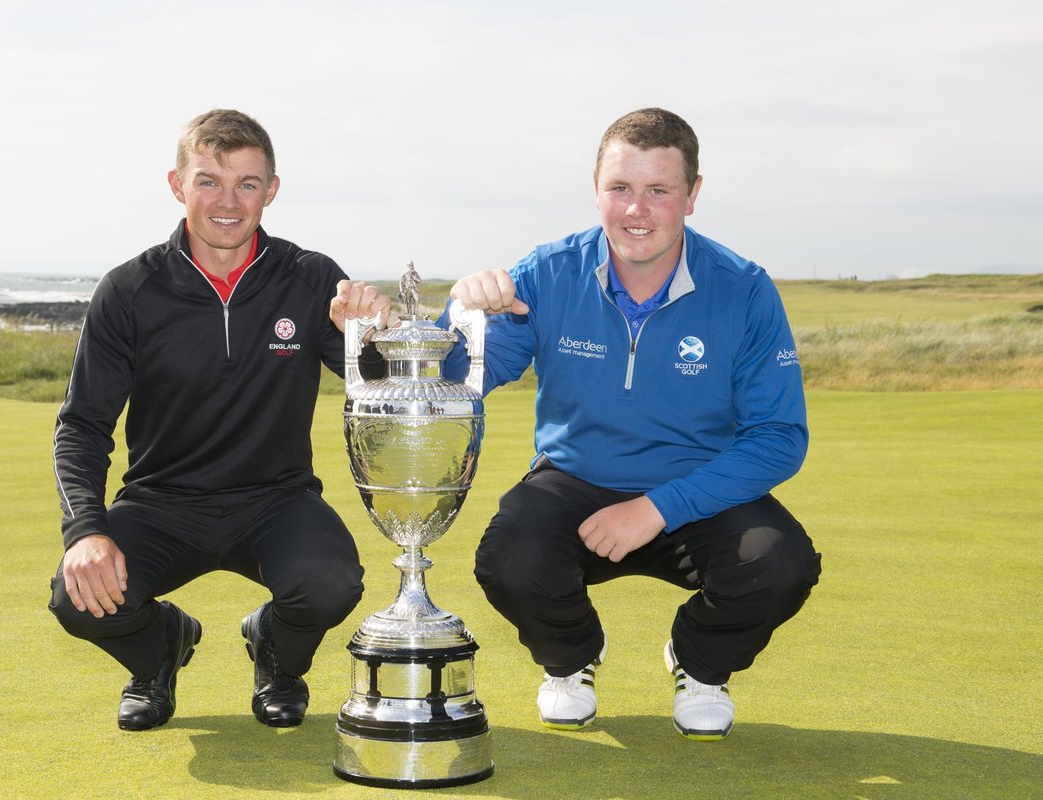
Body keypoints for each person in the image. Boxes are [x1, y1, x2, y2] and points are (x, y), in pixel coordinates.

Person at [440, 108, 821, 741]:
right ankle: (571, 659)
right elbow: (460, 379)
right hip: (574, 479)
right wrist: (461, 317)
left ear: (692, 195)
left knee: (778, 563)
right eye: (619, 188)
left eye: (659, 190)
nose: (636, 210)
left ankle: (700, 664)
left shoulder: (744, 288)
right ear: (596, 189)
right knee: (511, 557)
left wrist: (657, 508)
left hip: (700, 488)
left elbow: (779, 437)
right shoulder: (549, 272)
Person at [48, 109, 390, 732]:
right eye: (208, 181)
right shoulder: (129, 290)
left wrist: (365, 339)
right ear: (177, 185)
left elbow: (376, 392)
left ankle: (276, 654)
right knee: (78, 597)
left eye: (247, 184)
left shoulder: (309, 277)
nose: (228, 202)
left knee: (331, 583)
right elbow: (83, 426)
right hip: (161, 501)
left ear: (271, 190)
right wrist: (86, 532)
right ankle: (160, 649)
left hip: (276, 499)